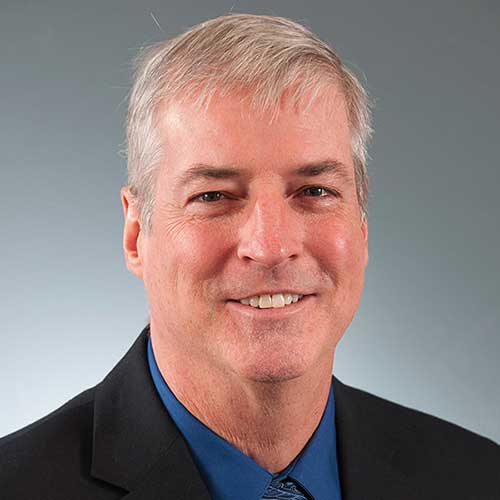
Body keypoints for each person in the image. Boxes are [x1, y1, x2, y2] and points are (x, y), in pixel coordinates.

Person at [1, 13, 498, 500]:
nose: (271, 246)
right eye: (214, 196)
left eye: (316, 191)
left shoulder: (478, 477)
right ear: (136, 235)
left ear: (362, 228)